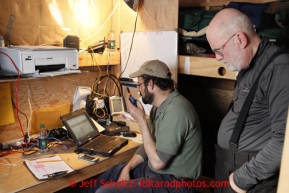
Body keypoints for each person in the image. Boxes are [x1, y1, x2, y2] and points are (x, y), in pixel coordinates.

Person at [82, 59, 202, 193]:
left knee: (105, 191)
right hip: (156, 173)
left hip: (174, 182)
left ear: (150, 84)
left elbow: (157, 163)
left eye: (139, 85)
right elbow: (148, 143)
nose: (138, 90)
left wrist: (141, 120)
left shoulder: (176, 111)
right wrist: (127, 168)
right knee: (109, 176)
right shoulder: (160, 107)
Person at [206, 8, 289, 193]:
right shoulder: (247, 66)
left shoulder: (280, 69)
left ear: (240, 39)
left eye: (219, 50)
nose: (218, 57)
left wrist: (240, 180)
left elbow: (283, 142)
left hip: (249, 179)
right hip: (229, 166)